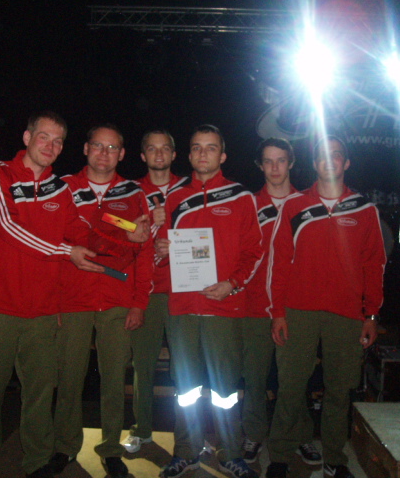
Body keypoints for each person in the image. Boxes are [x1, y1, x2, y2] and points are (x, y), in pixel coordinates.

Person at [0, 111, 103, 478]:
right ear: (27, 137)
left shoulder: (60, 190)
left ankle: (36, 460)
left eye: (58, 141)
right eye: (43, 137)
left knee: (39, 392)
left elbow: (82, 233)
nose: (50, 146)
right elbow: (9, 227)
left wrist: (131, 234)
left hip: (43, 310)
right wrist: (65, 251)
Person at [266, 136, 386, 478]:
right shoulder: (294, 206)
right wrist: (278, 312)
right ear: (314, 163)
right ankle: (280, 456)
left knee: (339, 390)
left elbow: (374, 265)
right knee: (290, 386)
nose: (329, 160)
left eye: (336, 155)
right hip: (298, 311)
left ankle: (334, 459)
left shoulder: (364, 209)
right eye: (322, 155)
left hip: (346, 315)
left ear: (345, 163)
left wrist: (371, 314)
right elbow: (279, 262)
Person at [156, 125, 263, 478]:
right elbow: (160, 250)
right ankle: (186, 450)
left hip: (224, 305)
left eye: (211, 148)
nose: (203, 154)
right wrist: (160, 248)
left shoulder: (240, 197)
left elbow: (255, 251)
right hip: (183, 308)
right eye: (197, 148)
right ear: (189, 155)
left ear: (223, 155)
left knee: (225, 388)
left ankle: (230, 452)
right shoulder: (174, 197)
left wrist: (231, 285)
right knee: (185, 387)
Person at [50, 124, 154, 478]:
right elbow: (57, 241)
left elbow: (144, 251)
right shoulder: (64, 187)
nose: (104, 153)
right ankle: (65, 446)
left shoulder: (133, 193)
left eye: (112, 148)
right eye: (98, 145)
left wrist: (139, 303)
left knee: (113, 381)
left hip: (117, 300)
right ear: (85, 148)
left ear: (122, 154)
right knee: (69, 378)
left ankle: (111, 449)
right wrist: (53, 301)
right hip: (72, 299)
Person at [240, 138, 321, 467]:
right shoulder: (248, 204)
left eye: (281, 160)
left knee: (294, 380)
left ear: (291, 163)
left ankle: (299, 435)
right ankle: (254, 433)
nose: (275, 168)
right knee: (254, 377)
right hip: (254, 305)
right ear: (260, 165)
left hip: (293, 307)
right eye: (268, 161)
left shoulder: (308, 204)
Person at [122, 130, 188, 454]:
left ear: (174, 154)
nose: (159, 154)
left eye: (165, 149)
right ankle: (142, 429)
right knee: (143, 365)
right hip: (144, 293)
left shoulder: (189, 189)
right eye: (152, 148)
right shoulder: (129, 190)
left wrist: (176, 245)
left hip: (182, 290)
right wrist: (148, 222)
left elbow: (207, 235)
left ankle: (189, 437)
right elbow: (112, 224)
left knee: (186, 368)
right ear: (143, 155)